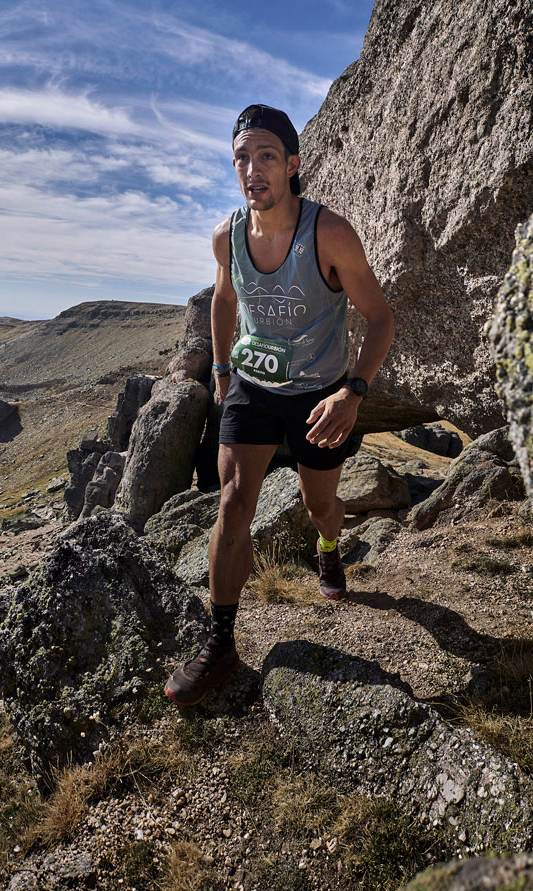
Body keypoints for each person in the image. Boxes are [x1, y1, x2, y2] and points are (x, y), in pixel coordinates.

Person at [164, 104, 395, 708]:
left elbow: (380, 319)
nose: (252, 169)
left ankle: (327, 547)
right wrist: (219, 369)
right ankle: (220, 643)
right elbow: (223, 299)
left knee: (321, 506)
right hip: (252, 387)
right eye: (241, 157)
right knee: (235, 499)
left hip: (321, 397)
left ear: (292, 165)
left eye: (266, 156)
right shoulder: (228, 236)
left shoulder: (329, 234)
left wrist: (352, 391)